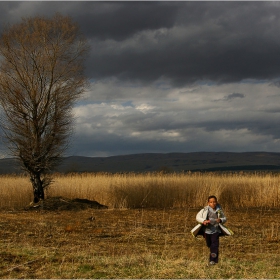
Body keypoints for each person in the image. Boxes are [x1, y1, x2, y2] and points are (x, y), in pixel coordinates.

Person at [196, 195, 227, 265]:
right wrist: (204, 220)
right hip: (207, 231)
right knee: (209, 244)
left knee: (215, 245)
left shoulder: (219, 210)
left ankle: (213, 260)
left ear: (216, 202)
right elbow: (198, 217)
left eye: (214, 202)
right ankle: (213, 253)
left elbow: (224, 218)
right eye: (211, 202)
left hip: (216, 230)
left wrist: (221, 220)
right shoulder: (204, 210)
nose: (213, 203)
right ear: (208, 203)